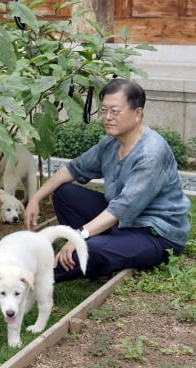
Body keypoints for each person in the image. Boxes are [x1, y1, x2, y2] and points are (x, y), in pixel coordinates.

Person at [23, 78, 191, 283]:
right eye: (103, 110)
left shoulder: (151, 153)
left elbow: (123, 208)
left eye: (115, 111)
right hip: (123, 223)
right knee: (65, 194)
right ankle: (101, 263)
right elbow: (73, 168)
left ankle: (21, 281)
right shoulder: (111, 143)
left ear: (137, 113)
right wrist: (36, 198)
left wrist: (80, 236)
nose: (107, 117)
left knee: (88, 247)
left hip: (155, 234)